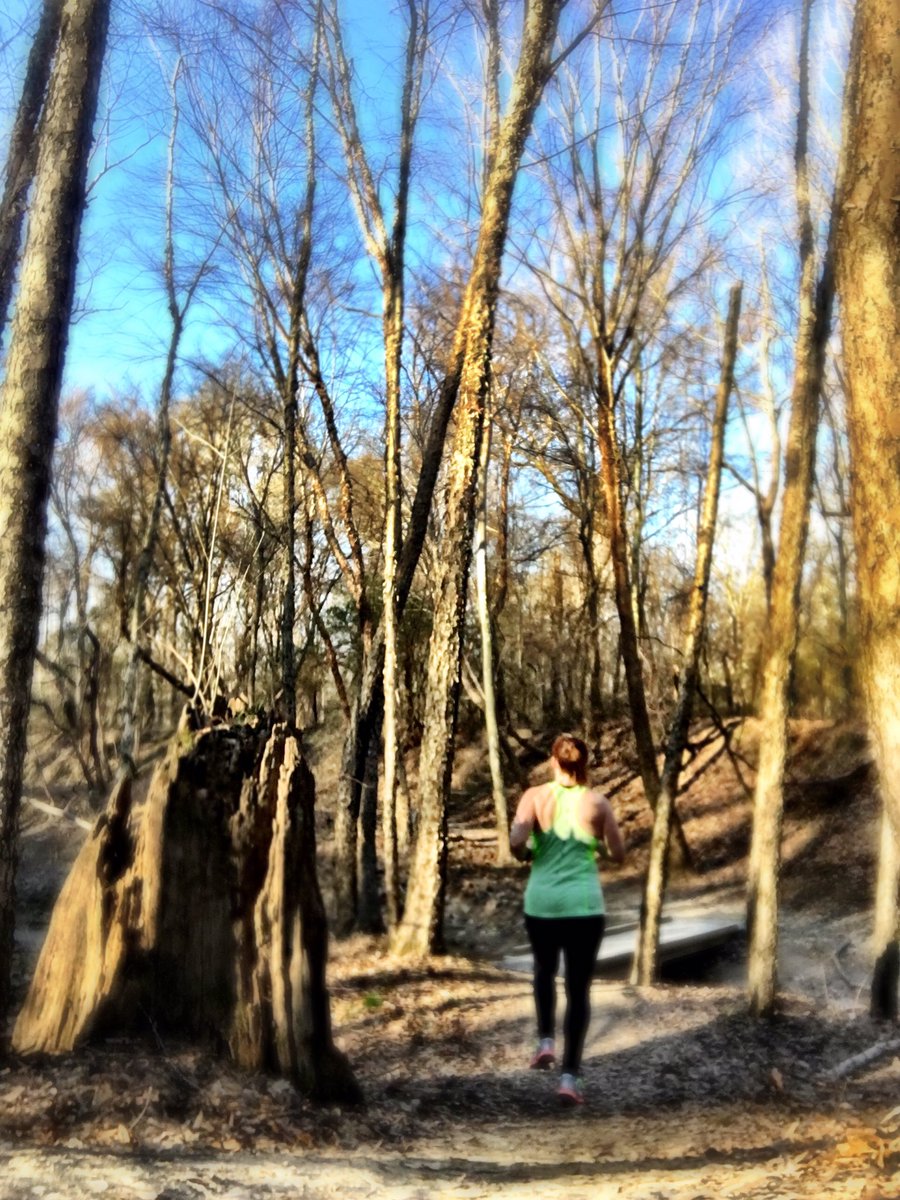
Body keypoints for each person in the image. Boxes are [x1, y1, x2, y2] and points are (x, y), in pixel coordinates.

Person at [510, 732, 625, 1107]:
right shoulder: (598, 803)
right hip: (584, 906)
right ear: (584, 763)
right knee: (579, 991)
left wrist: (528, 853)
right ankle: (569, 1080)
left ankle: (545, 1041)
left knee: (544, 971)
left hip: (542, 904)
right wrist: (596, 849)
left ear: (552, 760)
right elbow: (618, 853)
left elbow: (516, 840)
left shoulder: (534, 797)